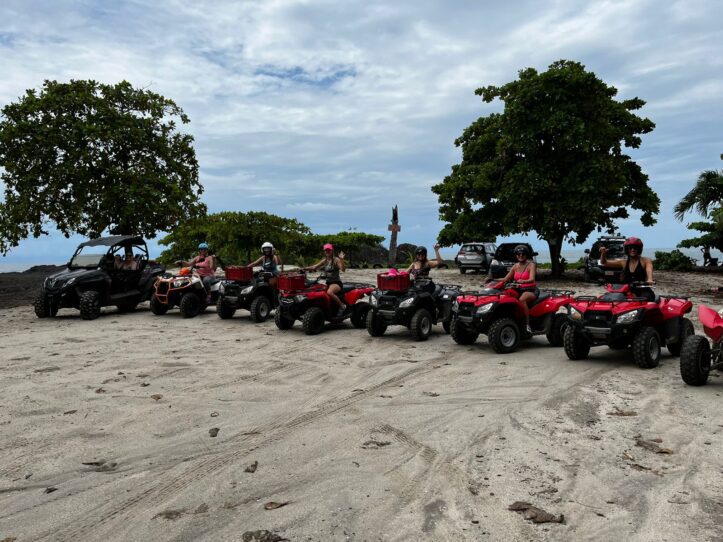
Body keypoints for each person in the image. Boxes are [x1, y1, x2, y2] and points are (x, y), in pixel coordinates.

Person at [499, 244, 537, 333]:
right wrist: (492, 279)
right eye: (518, 254)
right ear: (516, 255)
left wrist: (523, 281)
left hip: (530, 290)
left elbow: (532, 279)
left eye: (523, 254)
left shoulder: (531, 265)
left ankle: (527, 325)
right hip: (518, 289)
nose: (520, 255)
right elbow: (505, 279)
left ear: (526, 254)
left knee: (522, 299)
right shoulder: (515, 266)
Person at [304, 243, 347, 313]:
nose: (327, 252)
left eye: (329, 250)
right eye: (326, 250)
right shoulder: (325, 260)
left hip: (336, 283)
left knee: (329, 292)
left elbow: (343, 269)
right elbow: (314, 267)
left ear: (332, 250)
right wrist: (303, 268)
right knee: (316, 290)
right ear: (324, 251)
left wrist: (341, 260)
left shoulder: (336, 260)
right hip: (328, 283)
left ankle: (342, 306)